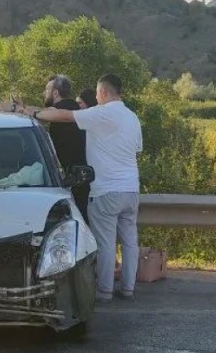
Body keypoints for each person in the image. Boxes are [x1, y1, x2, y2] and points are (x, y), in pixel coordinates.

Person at [22, 74, 143, 301]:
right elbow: (135, 150)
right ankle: (128, 288)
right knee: (129, 241)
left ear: (104, 93)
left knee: (106, 243)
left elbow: (65, 116)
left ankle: (105, 291)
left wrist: (34, 113)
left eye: (97, 93)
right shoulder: (132, 117)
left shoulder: (103, 112)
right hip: (131, 189)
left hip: (106, 190)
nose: (96, 97)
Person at [42, 75, 90, 220]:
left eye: (47, 89)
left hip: (70, 182)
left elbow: (41, 113)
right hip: (84, 178)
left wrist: (18, 109)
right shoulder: (76, 110)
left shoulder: (59, 111)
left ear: (56, 92)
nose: (44, 93)